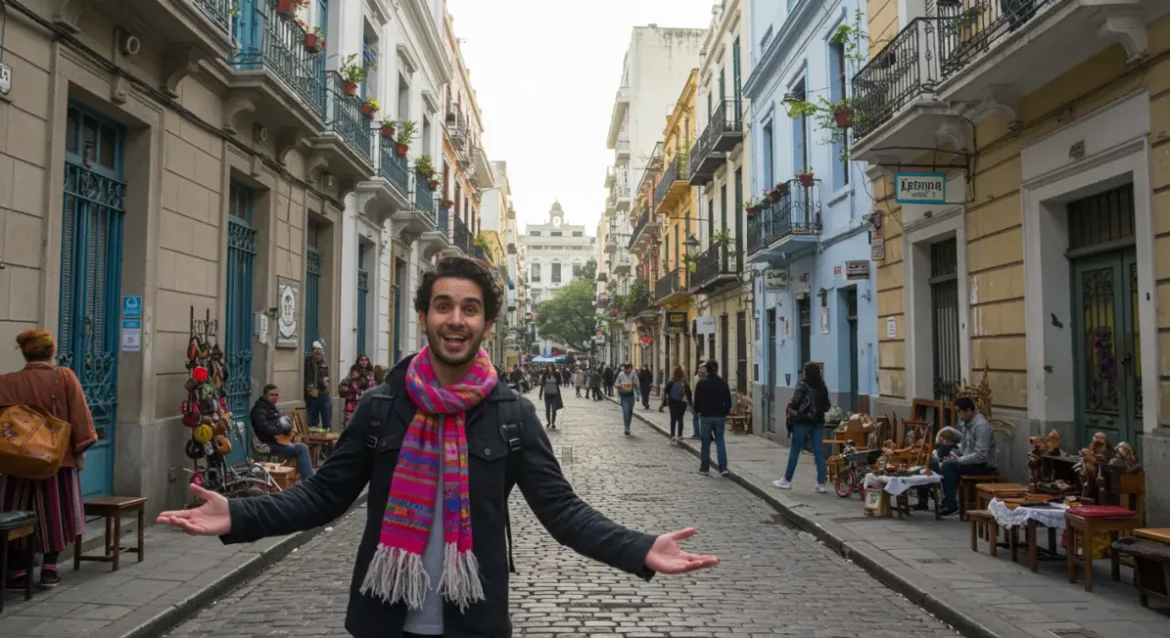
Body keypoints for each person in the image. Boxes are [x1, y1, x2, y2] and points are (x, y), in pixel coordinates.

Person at [157, 256, 718, 638]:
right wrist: (237, 513)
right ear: (424, 316)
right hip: (383, 621)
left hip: (473, 621)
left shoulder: (511, 415)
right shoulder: (383, 406)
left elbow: (562, 511)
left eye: (469, 308)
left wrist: (640, 548)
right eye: (443, 306)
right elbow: (324, 496)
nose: (455, 319)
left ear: (486, 323)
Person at [0, 330, 98, 590]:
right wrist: (80, 448)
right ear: (51, 352)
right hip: (56, 459)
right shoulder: (64, 377)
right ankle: (49, 568)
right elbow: (80, 414)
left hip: (15, 461)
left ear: (25, 353)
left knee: (15, 510)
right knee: (53, 512)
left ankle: (18, 569)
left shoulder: (7, 381)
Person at [773, 362, 831, 492]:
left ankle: (787, 480)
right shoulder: (822, 386)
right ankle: (821, 484)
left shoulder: (802, 385)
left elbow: (795, 403)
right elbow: (827, 406)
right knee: (819, 453)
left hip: (802, 422)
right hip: (818, 423)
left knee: (795, 450)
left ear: (806, 372)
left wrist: (795, 409)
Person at [935, 397, 997, 517]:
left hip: (982, 465)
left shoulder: (981, 426)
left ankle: (951, 504)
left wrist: (958, 460)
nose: (958, 415)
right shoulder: (966, 423)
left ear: (968, 410)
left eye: (959, 411)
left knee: (949, 465)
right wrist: (954, 452)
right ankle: (942, 497)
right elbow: (964, 446)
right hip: (969, 460)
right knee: (938, 458)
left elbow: (981, 455)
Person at [249, 384, 315, 480]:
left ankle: (296, 477)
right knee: (301, 448)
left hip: (277, 441)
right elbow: (264, 429)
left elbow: (275, 424)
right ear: (264, 395)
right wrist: (282, 430)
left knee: (300, 444)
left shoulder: (271, 407)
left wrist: (287, 428)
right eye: (271, 395)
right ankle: (309, 480)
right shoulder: (259, 410)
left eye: (276, 395)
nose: (274, 397)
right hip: (266, 443)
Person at [692, 360, 731, 477]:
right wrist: (723, 413)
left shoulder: (701, 383)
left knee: (705, 443)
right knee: (720, 441)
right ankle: (723, 467)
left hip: (706, 416)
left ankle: (704, 468)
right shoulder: (723, 383)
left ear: (707, 370)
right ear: (717, 369)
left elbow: (697, 401)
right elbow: (728, 402)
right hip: (719, 416)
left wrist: (699, 411)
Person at [338, 355, 375, 427]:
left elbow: (372, 388)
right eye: (362, 360)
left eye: (365, 360)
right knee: (350, 426)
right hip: (352, 404)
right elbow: (342, 387)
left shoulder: (370, 374)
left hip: (366, 404)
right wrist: (351, 390)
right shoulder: (352, 374)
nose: (364, 362)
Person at [660, 367, 693, 444]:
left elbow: (666, 390)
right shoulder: (684, 382)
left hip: (673, 402)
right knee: (680, 418)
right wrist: (690, 402)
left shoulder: (671, 381)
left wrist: (664, 402)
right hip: (682, 402)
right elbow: (689, 392)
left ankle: (672, 436)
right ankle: (680, 435)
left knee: (673, 419)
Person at [304, 341, 332, 429]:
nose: (318, 353)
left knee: (327, 422)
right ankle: (314, 440)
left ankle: (327, 440)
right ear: (312, 352)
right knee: (312, 423)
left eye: (320, 351)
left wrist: (325, 382)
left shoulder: (325, 364)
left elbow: (327, 378)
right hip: (312, 396)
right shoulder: (307, 363)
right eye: (316, 351)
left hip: (324, 395)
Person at [615, 363, 638, 436]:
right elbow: (616, 384)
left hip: (631, 395)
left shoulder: (634, 374)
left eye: (627, 370)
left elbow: (638, 385)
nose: (626, 371)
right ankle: (626, 427)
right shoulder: (621, 375)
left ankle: (628, 425)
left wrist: (633, 384)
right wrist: (620, 385)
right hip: (623, 395)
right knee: (626, 411)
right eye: (625, 370)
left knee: (630, 411)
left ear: (631, 369)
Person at [538, 364, 564, 429]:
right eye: (548, 367)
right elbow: (542, 385)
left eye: (551, 367)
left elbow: (560, 382)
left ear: (553, 367)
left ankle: (553, 422)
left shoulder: (557, 374)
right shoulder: (545, 375)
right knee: (547, 409)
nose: (550, 368)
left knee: (554, 409)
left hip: (554, 395)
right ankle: (548, 422)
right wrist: (540, 394)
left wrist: (554, 375)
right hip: (547, 395)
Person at [691, 366, 706, 440]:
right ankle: (697, 433)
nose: (701, 373)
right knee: (696, 418)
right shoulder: (697, 379)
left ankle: (700, 433)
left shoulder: (701, 380)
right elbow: (694, 390)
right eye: (700, 372)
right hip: (696, 401)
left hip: (700, 402)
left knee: (700, 418)